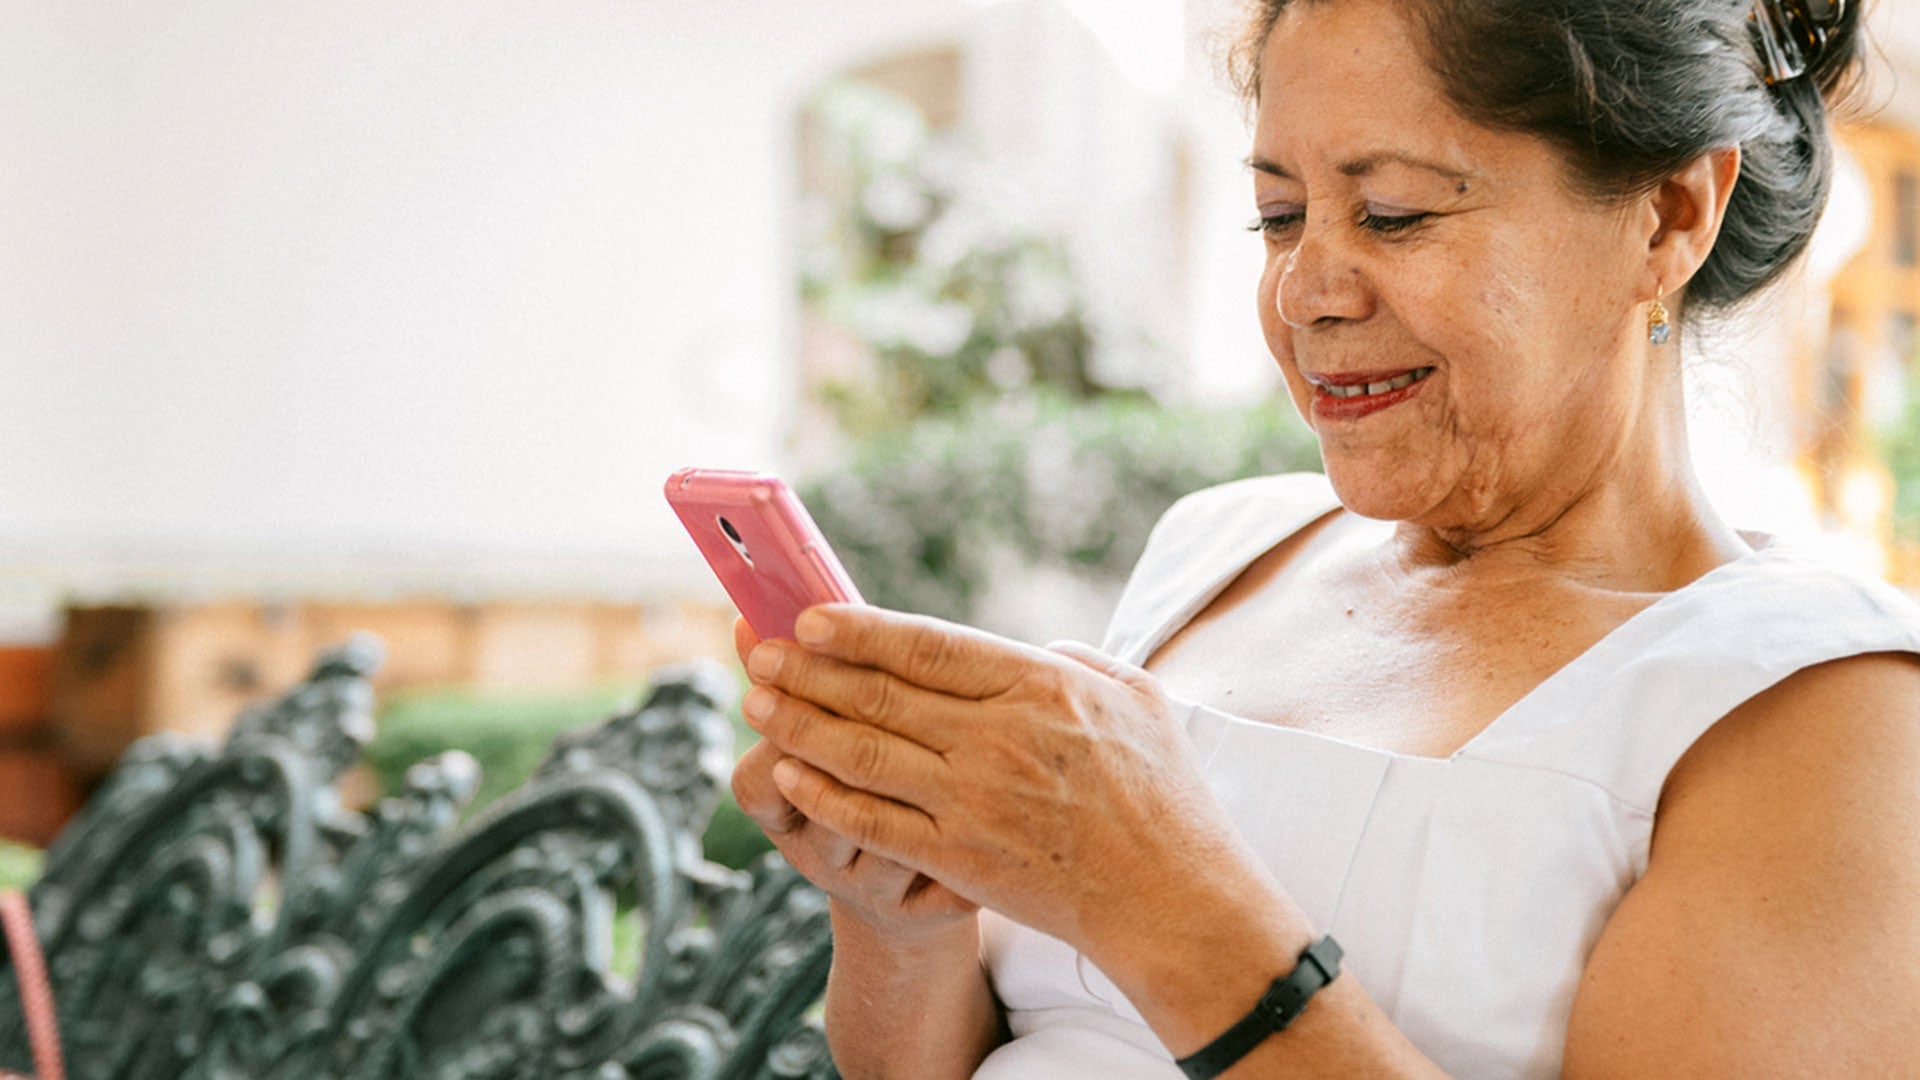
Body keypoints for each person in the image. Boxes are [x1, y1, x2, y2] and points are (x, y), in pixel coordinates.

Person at [730, 0, 1920, 1075]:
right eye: (1278, 215)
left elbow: (1147, 902)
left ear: (1669, 216)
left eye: (1395, 214)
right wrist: (900, 916)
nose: (1307, 290)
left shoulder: (1820, 709)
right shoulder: (1215, 552)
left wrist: (1153, 890)